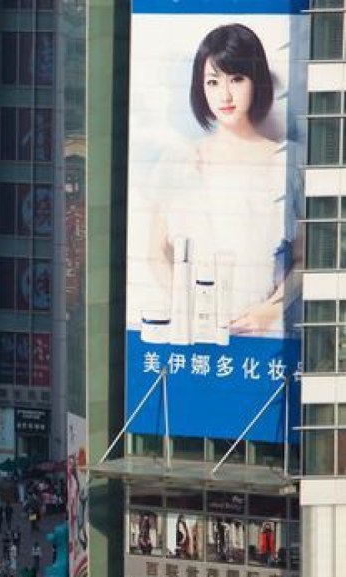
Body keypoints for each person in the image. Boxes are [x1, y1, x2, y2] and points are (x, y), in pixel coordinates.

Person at [137, 23, 298, 342]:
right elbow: (155, 252)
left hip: (266, 336)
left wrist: (270, 311)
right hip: (196, 332)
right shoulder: (179, 161)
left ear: (256, 81)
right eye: (213, 82)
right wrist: (188, 306)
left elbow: (307, 260)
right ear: (201, 88)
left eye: (237, 79)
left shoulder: (287, 160)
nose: (224, 95)